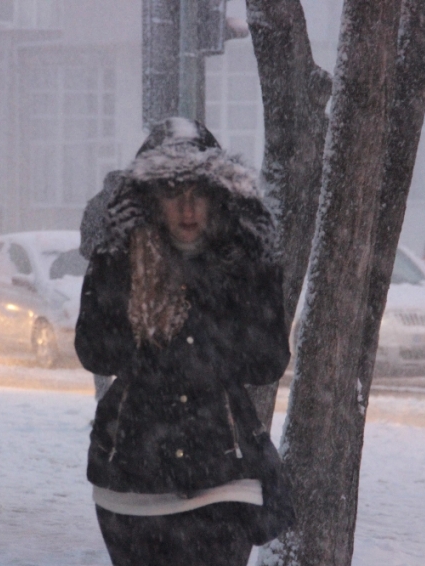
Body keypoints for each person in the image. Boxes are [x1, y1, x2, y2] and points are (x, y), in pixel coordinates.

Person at [75, 117, 290, 566]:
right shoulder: (121, 259)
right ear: (152, 200)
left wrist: (253, 271)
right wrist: (114, 263)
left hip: (224, 472)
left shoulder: (241, 260)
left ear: (219, 198)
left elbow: (267, 362)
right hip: (130, 479)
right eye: (173, 193)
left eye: (200, 194)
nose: (188, 209)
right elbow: (96, 351)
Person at [79, 170, 123, 401]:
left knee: (101, 346)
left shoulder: (95, 206)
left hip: (101, 287)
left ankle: (104, 400)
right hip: (120, 288)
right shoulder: (131, 208)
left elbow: (85, 247)